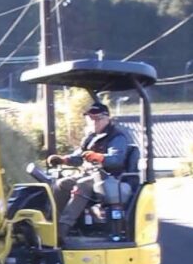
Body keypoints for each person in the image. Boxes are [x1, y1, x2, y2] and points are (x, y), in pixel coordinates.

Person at [46, 102, 130, 242]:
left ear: (106, 118)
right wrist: (63, 160)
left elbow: (116, 160)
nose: (93, 122)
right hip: (91, 174)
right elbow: (79, 157)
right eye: (91, 119)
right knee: (61, 184)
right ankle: (52, 222)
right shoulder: (91, 137)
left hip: (109, 179)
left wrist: (99, 157)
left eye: (97, 119)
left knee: (82, 185)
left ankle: (63, 230)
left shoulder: (117, 137)